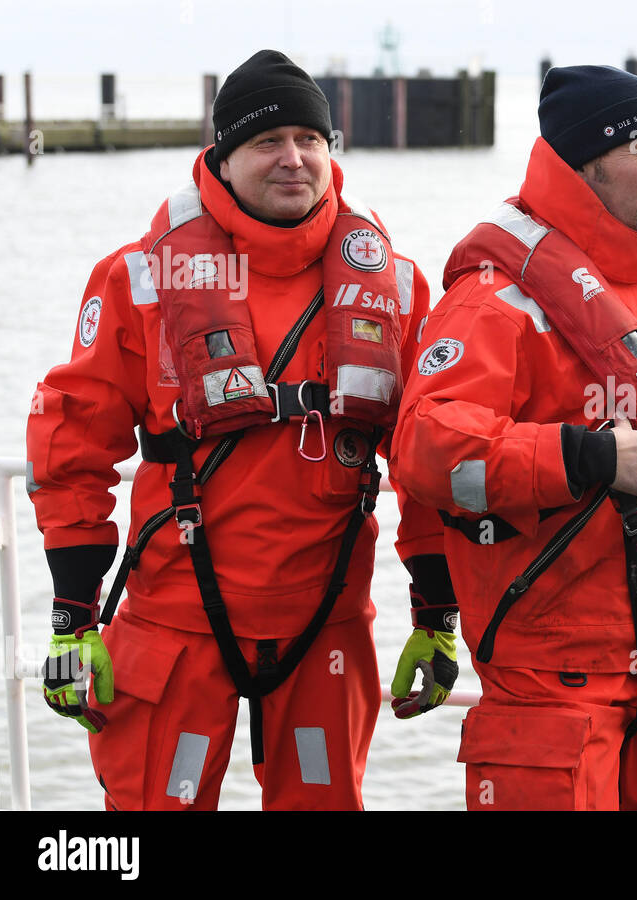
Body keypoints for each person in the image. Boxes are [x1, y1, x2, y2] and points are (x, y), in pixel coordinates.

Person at [27, 49, 442, 810]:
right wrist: (71, 615)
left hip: (327, 625)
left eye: (310, 140)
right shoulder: (139, 279)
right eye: (267, 141)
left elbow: (431, 456)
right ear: (222, 158)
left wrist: (438, 611)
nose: (294, 159)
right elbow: (71, 443)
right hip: (176, 629)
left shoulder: (396, 284)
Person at [388, 65, 637, 810]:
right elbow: (428, 452)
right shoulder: (496, 304)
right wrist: (587, 456)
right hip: (549, 686)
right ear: (579, 165)